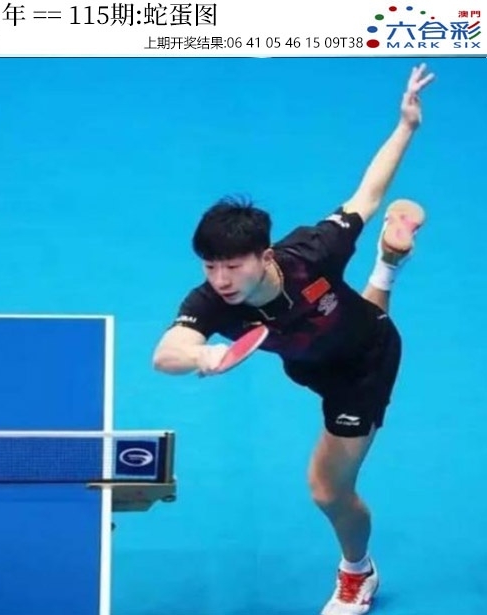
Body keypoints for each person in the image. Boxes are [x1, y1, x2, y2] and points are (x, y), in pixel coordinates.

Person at [152, 64, 434, 614]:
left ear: (264, 256)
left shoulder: (312, 252)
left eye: (232, 266)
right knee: (347, 317)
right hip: (314, 360)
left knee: (328, 490)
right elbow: (166, 352)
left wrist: (406, 125)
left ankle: (358, 573)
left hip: (365, 367)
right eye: (210, 266)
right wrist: (202, 354)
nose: (220, 280)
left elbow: (368, 194)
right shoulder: (211, 301)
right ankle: (389, 262)